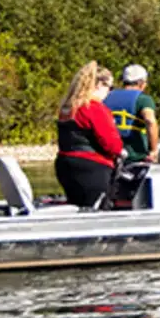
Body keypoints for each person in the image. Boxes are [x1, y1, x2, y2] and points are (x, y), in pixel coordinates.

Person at [54, 61, 123, 209]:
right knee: (97, 208)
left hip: (65, 166)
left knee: (77, 206)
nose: (109, 92)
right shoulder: (94, 108)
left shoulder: (68, 107)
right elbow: (112, 145)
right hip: (92, 168)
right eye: (110, 87)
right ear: (99, 85)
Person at [103, 64, 159, 208]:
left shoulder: (107, 96)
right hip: (135, 156)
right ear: (141, 83)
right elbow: (150, 120)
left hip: (109, 156)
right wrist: (153, 150)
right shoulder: (143, 99)